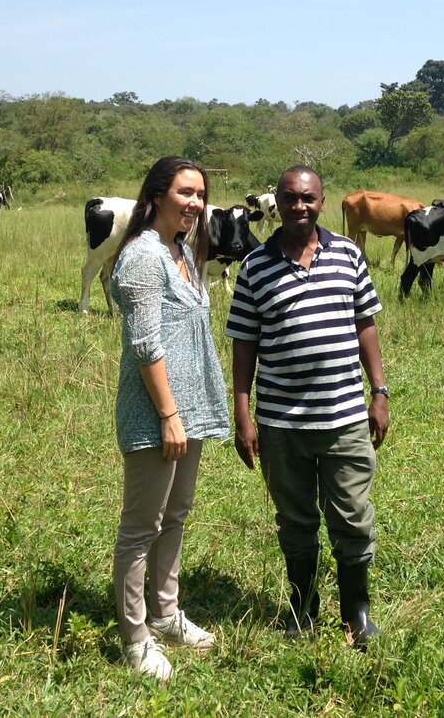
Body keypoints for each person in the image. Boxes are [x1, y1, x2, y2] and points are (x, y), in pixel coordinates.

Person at [226, 165, 389, 648]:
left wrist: (378, 392)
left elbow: (365, 324)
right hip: (281, 423)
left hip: (345, 418)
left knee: (353, 516)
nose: (300, 206)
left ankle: (356, 612)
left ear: (322, 201)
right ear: (277, 202)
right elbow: (243, 345)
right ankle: (302, 610)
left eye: (309, 198)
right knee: (295, 521)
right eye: (291, 198)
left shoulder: (348, 255)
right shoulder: (255, 266)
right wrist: (243, 413)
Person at [110, 157, 230, 680]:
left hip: (189, 411)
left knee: (175, 517)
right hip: (156, 413)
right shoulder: (142, 256)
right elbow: (146, 343)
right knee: (141, 527)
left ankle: (165, 612)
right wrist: (168, 415)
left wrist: (187, 414)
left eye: (200, 194)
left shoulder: (181, 251)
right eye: (185, 193)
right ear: (157, 195)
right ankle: (135, 638)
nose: (195, 204)